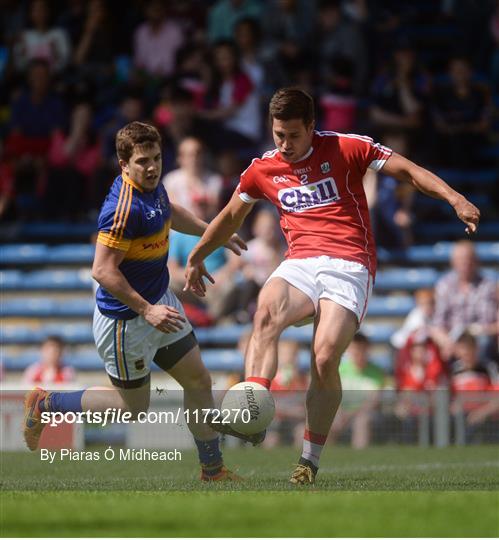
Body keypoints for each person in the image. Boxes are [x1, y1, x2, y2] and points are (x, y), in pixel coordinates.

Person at [184, 87, 480, 484]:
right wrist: (198, 253)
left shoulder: (348, 147)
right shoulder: (263, 168)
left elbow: (409, 171)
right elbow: (230, 216)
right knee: (266, 310)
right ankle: (253, 411)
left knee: (324, 357)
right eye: (278, 135)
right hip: (301, 261)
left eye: (293, 134)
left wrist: (454, 197)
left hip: (350, 263)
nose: (285, 144)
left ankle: (308, 460)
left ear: (311, 126)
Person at [23, 121, 246, 482]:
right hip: (127, 321)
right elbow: (102, 271)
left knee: (199, 381)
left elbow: (169, 211)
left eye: (156, 158)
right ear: (124, 164)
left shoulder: (153, 188)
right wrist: (147, 309)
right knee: (134, 408)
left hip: (160, 303)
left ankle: (213, 470)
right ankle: (45, 403)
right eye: (143, 161)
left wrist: (211, 232)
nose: (153, 167)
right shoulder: (121, 210)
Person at [432, 240, 498, 361]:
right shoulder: (445, 286)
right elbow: (437, 325)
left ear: (476, 261)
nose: (465, 263)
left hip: (482, 339)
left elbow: (496, 323)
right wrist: (448, 343)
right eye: (461, 259)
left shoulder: (489, 285)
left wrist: (481, 332)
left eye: (469, 258)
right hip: (454, 340)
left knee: (483, 344)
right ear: (453, 262)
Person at [330, 333, 384, 449]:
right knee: (328, 420)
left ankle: (359, 457)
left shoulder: (376, 373)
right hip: (341, 413)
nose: (358, 352)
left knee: (362, 422)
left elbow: (374, 401)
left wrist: (351, 414)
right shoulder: (339, 370)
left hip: (365, 414)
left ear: (367, 349)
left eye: (361, 349)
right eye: (355, 348)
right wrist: (340, 412)